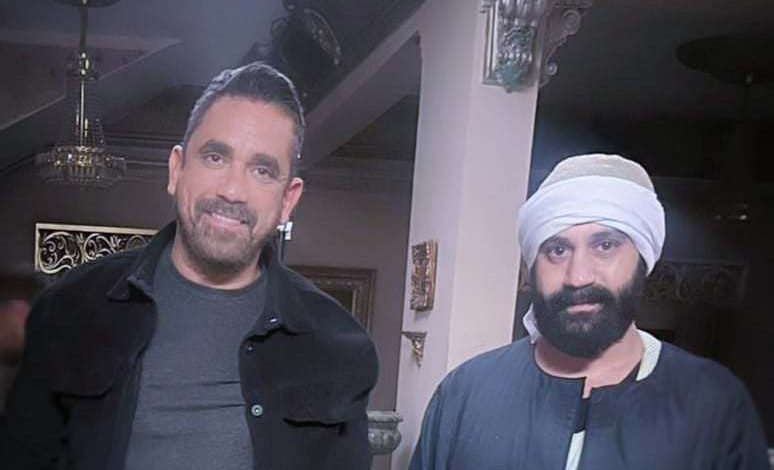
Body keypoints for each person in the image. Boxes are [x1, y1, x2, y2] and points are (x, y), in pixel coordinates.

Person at [1, 63, 378, 470]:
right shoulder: (70, 308)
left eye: (262, 170)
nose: (232, 190)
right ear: (177, 170)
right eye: (215, 157)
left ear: (288, 200)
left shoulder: (339, 346)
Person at [409, 154, 769, 470]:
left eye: (605, 245)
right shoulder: (467, 393)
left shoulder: (712, 401)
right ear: (532, 268)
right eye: (557, 250)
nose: (578, 276)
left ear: (642, 261)